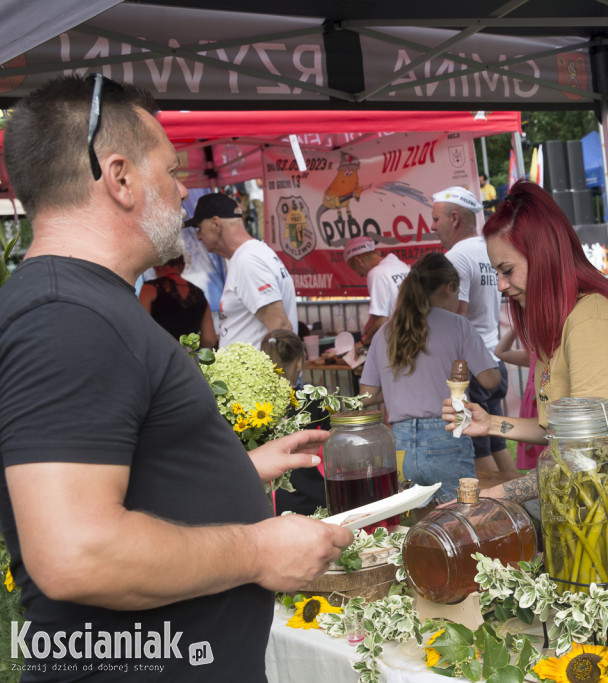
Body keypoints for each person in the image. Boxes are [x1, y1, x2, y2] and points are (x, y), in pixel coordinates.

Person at [0, 74, 353, 679]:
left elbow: (107, 473)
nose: (185, 193)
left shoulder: (84, 304)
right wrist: (257, 550)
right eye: (171, 171)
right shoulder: (68, 315)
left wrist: (227, 470)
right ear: (119, 178)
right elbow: (75, 552)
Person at [442, 180, 608, 582]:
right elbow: (557, 432)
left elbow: (585, 456)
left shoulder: (590, 319)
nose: (501, 286)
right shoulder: (566, 320)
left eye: (506, 271)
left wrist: (495, 496)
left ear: (545, 255)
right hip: (588, 490)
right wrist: (490, 424)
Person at [359, 252, 499, 502]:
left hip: (399, 441)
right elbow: (491, 380)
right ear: (449, 287)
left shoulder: (385, 332)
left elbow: (366, 395)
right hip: (447, 433)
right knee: (458, 519)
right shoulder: (458, 325)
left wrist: (397, 387)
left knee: (413, 523)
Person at [431, 186, 514, 473]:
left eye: (437, 219)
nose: (433, 226)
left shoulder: (457, 257)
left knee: (479, 450)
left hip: (471, 369)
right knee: (496, 443)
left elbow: (457, 319)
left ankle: (497, 514)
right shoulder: (486, 249)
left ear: (454, 218)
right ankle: (523, 508)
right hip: (492, 361)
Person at [186, 192, 298, 347]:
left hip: (260, 371)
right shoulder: (250, 255)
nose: (198, 236)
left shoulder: (248, 259)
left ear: (216, 224)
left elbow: (281, 328)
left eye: (199, 228)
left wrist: (275, 372)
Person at [262, 329, 331, 516]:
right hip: (317, 500)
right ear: (299, 361)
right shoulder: (315, 399)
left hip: (275, 506)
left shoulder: (257, 408)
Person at [344, 235, 410, 351]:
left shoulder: (376, 273)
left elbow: (381, 321)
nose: (360, 275)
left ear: (359, 261)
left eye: (356, 269)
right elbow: (383, 309)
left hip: (398, 346)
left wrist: (364, 342)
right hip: (412, 339)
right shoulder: (401, 266)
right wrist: (369, 327)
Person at [138, 254, 218, 348]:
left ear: (156, 266)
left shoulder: (150, 289)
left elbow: (141, 329)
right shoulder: (199, 294)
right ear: (183, 266)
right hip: (187, 358)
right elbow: (209, 340)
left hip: (160, 354)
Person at [494, 327, 543, 469]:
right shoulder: (534, 357)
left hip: (543, 419)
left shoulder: (553, 358)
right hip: (532, 421)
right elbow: (500, 352)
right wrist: (517, 327)